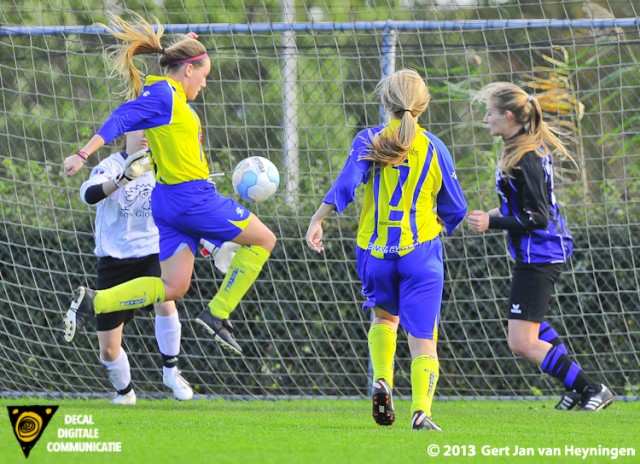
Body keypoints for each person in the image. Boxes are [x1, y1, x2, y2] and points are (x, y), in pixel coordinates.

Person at [62, 12, 276, 357]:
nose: (204, 84)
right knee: (265, 239)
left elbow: (168, 96)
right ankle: (218, 313)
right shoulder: (165, 97)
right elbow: (121, 116)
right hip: (192, 199)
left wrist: (190, 45)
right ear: (188, 70)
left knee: (174, 286)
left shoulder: (169, 94)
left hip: (169, 202)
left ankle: (96, 301)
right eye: (203, 75)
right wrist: (83, 154)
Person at [305, 69, 467, 431]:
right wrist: (436, 227)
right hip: (421, 252)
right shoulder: (435, 147)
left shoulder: (370, 139)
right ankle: (421, 411)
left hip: (375, 252)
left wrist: (317, 220)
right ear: (423, 105)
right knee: (423, 339)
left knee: (383, 320)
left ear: (386, 101)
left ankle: (382, 381)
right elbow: (456, 209)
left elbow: (345, 186)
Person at [466, 82, 613, 412]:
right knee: (531, 326)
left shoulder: (526, 157)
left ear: (508, 116)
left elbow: (537, 218)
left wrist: (494, 223)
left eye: (489, 113)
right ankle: (577, 388)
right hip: (536, 252)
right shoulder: (519, 149)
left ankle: (592, 388)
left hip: (541, 253)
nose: (485, 120)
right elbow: (520, 207)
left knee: (521, 341)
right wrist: (487, 215)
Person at [76, 129, 192, 404]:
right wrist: (121, 180)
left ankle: (171, 371)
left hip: (152, 253)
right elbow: (89, 195)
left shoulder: (166, 165)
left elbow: (186, 205)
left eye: (151, 128)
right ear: (126, 131)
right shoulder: (111, 165)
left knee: (167, 300)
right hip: (115, 262)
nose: (144, 134)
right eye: (139, 127)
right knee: (108, 350)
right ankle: (125, 393)